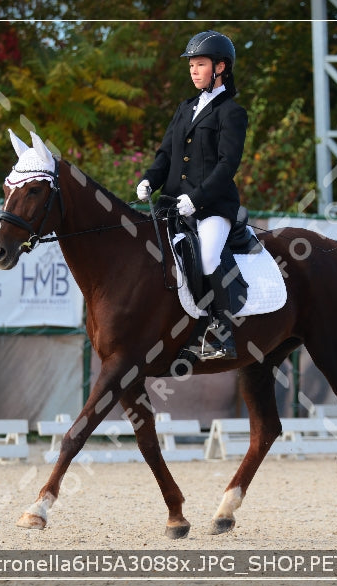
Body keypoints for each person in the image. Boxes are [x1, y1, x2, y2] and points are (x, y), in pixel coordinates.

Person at [137, 30, 247, 360]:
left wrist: (197, 199)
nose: (193, 71)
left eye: (199, 64)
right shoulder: (185, 108)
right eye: (191, 66)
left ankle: (222, 332)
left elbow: (228, 165)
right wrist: (149, 179)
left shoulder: (232, 113)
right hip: (172, 204)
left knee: (210, 255)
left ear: (221, 67)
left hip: (212, 207)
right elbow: (166, 154)